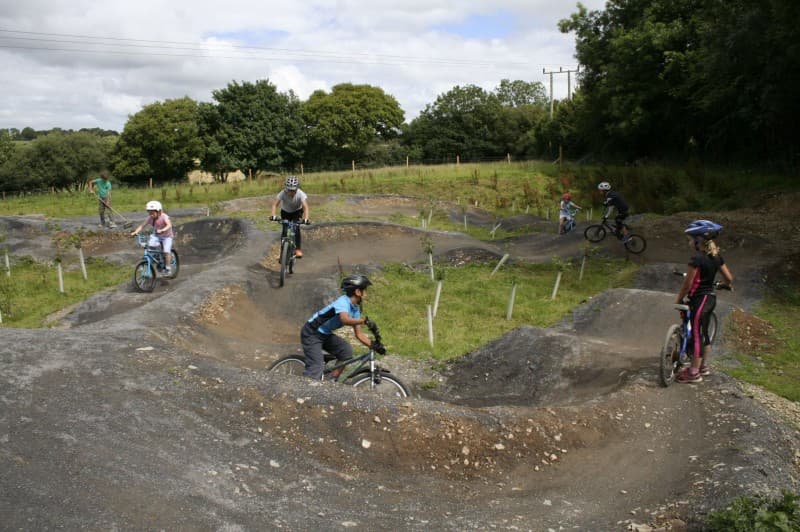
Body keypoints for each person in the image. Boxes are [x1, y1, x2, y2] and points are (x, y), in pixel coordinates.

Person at [674, 220, 734, 383]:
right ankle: (702, 367)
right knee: (703, 333)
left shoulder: (697, 259)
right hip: (710, 298)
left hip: (699, 299)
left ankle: (693, 373)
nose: (689, 241)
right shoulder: (716, 257)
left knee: (696, 334)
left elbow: (688, 284)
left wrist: (679, 298)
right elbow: (729, 278)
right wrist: (723, 285)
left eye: (691, 238)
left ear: (698, 240)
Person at [300, 274, 382, 380]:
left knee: (346, 351)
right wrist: (364, 321)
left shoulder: (355, 309)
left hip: (325, 334)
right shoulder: (343, 302)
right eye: (364, 290)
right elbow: (344, 319)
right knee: (316, 366)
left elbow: (359, 334)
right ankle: (304, 391)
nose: (366, 293)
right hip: (311, 333)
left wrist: (374, 346)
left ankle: (331, 381)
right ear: (357, 292)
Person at [130, 200, 175, 277]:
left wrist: (163, 230)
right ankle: (156, 256)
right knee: (150, 244)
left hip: (167, 237)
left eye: (152, 213)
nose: (151, 215)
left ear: (159, 211)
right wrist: (135, 232)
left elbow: (169, 225)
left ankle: (168, 268)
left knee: (166, 251)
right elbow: (142, 225)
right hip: (157, 235)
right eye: (149, 213)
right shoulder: (150, 218)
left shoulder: (164, 216)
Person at [269, 175, 309, 258]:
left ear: (297, 188)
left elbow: (305, 207)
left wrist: (306, 219)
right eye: (289, 190)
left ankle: (297, 249)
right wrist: (273, 215)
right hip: (285, 212)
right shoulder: (283, 193)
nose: (291, 192)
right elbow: (274, 205)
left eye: (293, 190)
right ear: (286, 188)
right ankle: (282, 253)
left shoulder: (301, 194)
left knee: (296, 228)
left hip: (297, 212)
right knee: (284, 230)